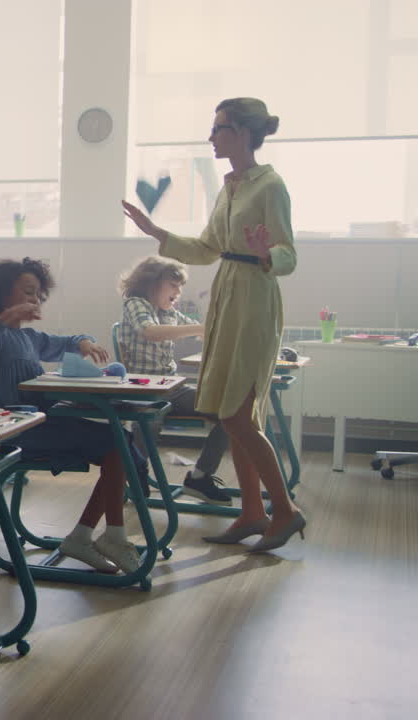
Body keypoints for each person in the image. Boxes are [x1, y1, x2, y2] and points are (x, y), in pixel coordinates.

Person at [123, 97, 305, 552]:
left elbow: (289, 255)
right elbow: (206, 249)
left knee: (237, 413)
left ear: (243, 133)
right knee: (228, 410)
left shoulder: (271, 186)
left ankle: (284, 510)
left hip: (255, 297)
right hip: (227, 291)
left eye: (218, 128)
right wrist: (157, 234)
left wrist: (269, 254)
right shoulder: (228, 188)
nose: (211, 136)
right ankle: (250, 512)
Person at [0, 257, 150, 574]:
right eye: (27, 291)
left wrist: (85, 342)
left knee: (120, 440)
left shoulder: (29, 338)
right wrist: (5, 318)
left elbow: (68, 340)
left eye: (38, 294)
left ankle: (90, 535)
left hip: (43, 424)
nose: (34, 300)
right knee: (117, 443)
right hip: (17, 432)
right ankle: (104, 536)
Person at [117, 256, 232, 505]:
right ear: (151, 283)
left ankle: (200, 477)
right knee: (148, 423)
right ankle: (135, 472)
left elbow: (204, 329)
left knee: (230, 411)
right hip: (142, 390)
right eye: (173, 285)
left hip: (172, 388)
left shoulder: (168, 312)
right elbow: (150, 331)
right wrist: (198, 329)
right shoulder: (136, 304)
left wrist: (215, 325)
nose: (178, 292)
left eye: (180, 287)